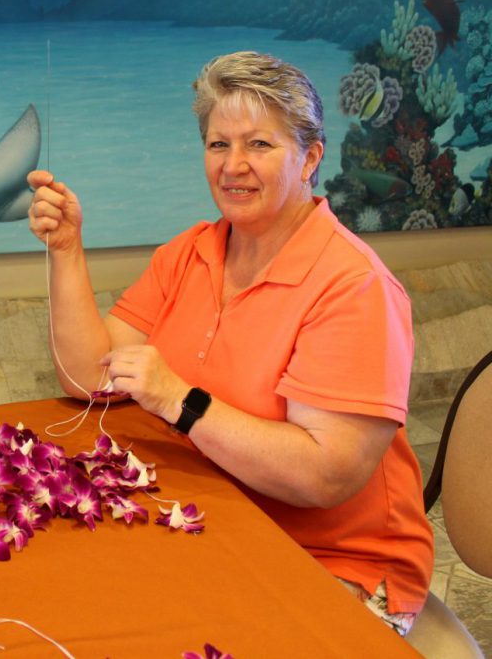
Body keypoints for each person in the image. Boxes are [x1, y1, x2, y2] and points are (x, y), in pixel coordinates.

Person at [27, 51, 433, 635]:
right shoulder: (191, 250)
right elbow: (88, 375)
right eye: (219, 145)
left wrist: (180, 401)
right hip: (214, 523)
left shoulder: (355, 286)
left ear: (311, 157)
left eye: (259, 145)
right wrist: (66, 249)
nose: (233, 165)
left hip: (333, 564)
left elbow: (326, 475)